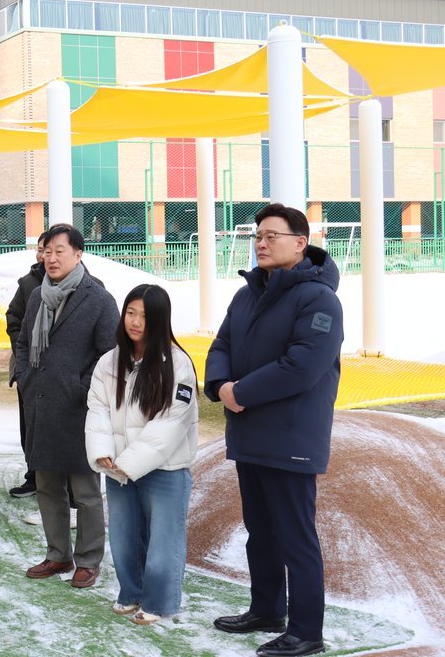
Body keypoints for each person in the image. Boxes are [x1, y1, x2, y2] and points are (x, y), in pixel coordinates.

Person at [205, 203, 342, 657]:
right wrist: (221, 386)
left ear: (300, 244)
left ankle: (306, 631)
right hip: (250, 434)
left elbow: (302, 366)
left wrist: (241, 392)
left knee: (295, 538)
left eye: (271, 236)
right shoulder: (247, 294)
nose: (261, 244)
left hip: (291, 437)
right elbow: (222, 344)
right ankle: (266, 609)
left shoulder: (319, 299)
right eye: (257, 236)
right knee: (260, 532)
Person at [86, 284, 199, 626]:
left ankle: (159, 602)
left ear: (161, 320)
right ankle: (131, 591)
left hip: (165, 469)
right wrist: (103, 453)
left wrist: (128, 462)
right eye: (130, 313)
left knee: (164, 539)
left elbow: (172, 423)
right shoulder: (109, 361)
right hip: (118, 467)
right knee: (123, 536)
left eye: (145, 316)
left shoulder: (178, 365)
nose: (135, 322)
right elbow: (98, 408)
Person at [16, 223, 118, 589]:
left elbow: (111, 355)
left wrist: (81, 387)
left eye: (60, 251)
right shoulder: (38, 296)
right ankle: (58, 553)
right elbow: (23, 342)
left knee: (86, 492)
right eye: (47, 251)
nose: (52, 258)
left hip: (79, 410)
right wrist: (25, 376)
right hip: (42, 404)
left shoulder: (99, 299)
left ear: (78, 254)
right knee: (47, 487)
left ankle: (88, 560)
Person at [3, 230, 48, 498]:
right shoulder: (27, 284)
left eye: (53, 250)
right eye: (42, 249)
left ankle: (66, 485)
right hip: (29, 368)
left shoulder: (90, 284)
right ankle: (33, 476)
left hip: (64, 374)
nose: (46, 256)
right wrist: (25, 352)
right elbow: (13, 319)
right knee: (29, 424)